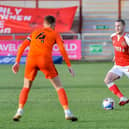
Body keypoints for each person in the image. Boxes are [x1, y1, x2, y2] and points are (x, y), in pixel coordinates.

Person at [12, 15, 78, 122]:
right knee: (58, 87)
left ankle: (19, 110)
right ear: (53, 25)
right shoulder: (55, 33)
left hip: (31, 60)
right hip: (44, 60)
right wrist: (69, 65)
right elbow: (62, 49)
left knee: (26, 86)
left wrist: (17, 62)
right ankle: (67, 112)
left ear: (44, 24)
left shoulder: (34, 32)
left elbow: (23, 46)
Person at [104, 19, 129, 106]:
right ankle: (122, 98)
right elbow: (117, 47)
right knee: (107, 80)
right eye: (115, 26)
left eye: (119, 26)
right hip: (118, 66)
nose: (117, 28)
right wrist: (116, 56)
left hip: (127, 66)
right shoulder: (113, 36)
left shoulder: (127, 38)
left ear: (123, 26)